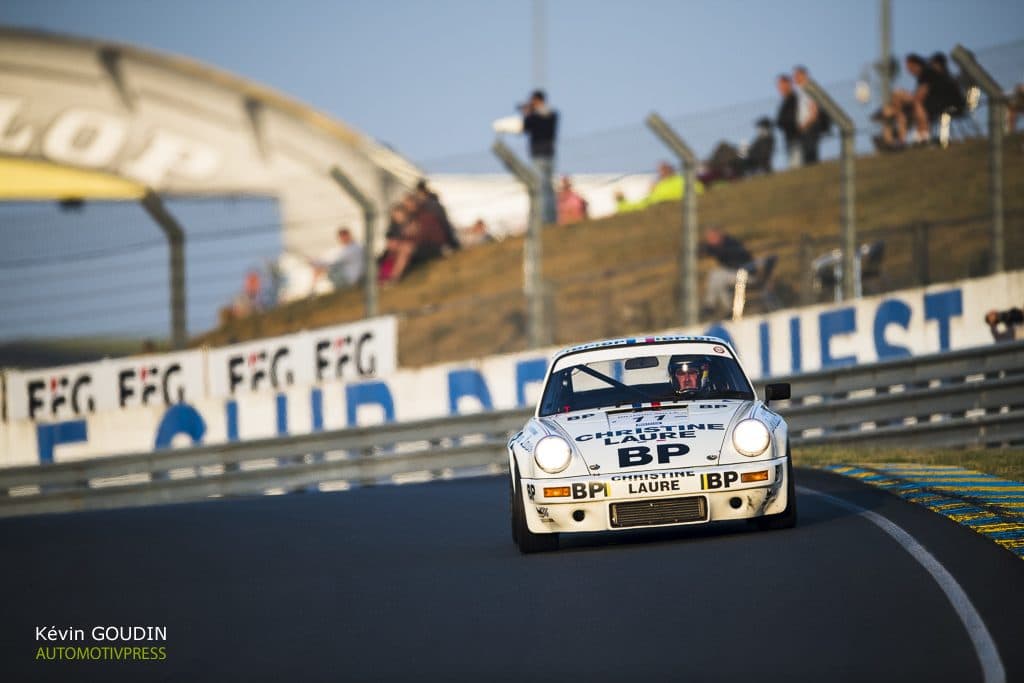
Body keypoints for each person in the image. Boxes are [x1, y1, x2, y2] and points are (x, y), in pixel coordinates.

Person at [519, 89, 559, 224]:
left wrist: (527, 113)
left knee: (540, 187)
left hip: (538, 155)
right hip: (550, 154)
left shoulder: (534, 117)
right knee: (548, 187)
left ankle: (544, 219)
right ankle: (551, 218)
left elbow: (526, 127)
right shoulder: (552, 114)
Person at [699, 225, 753, 319]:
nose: (709, 241)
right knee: (718, 279)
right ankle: (727, 309)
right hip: (739, 274)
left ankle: (711, 305)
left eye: (711, 238)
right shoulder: (724, 244)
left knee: (716, 276)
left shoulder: (729, 244)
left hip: (747, 275)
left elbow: (727, 257)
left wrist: (709, 249)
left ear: (717, 236)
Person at [615, 161, 702, 212]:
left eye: (661, 171)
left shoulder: (660, 188)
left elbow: (644, 204)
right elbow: (700, 190)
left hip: (662, 206)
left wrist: (621, 202)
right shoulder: (685, 180)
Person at [793, 66, 822, 165]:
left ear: (804, 75)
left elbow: (814, 109)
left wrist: (806, 124)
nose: (794, 78)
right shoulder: (800, 91)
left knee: (810, 153)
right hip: (804, 127)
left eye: (797, 75)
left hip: (810, 126)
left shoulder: (809, 89)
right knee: (805, 154)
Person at [775, 74, 800, 168]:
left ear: (788, 84)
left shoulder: (794, 99)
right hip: (789, 136)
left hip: (797, 136)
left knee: (796, 162)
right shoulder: (786, 100)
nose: (779, 88)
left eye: (780, 85)